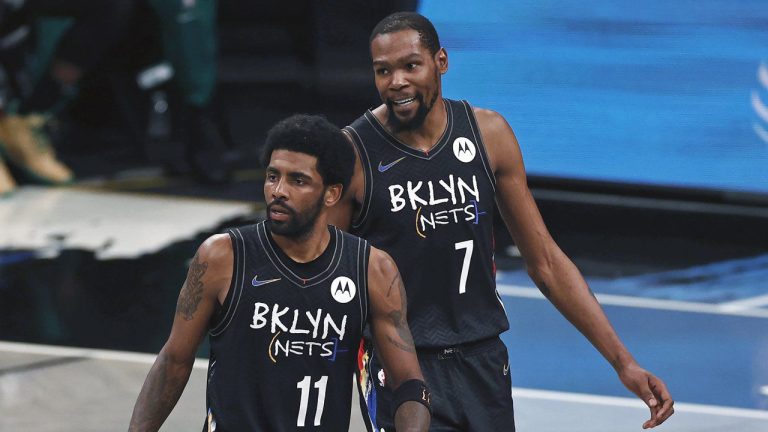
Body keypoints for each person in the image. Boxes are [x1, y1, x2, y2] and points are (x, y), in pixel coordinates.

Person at [328, 12, 675, 431]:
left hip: (483, 361)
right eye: (383, 71)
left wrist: (624, 362)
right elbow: (324, 276)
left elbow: (545, 261)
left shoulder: (488, 134)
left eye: (410, 65)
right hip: (401, 366)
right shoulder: (352, 154)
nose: (396, 81)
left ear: (441, 61)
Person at [128, 114, 431, 431]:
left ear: (332, 193)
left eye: (297, 181)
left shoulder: (372, 270)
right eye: (273, 176)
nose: (279, 191)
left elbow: (409, 384)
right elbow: (173, 361)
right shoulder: (222, 257)